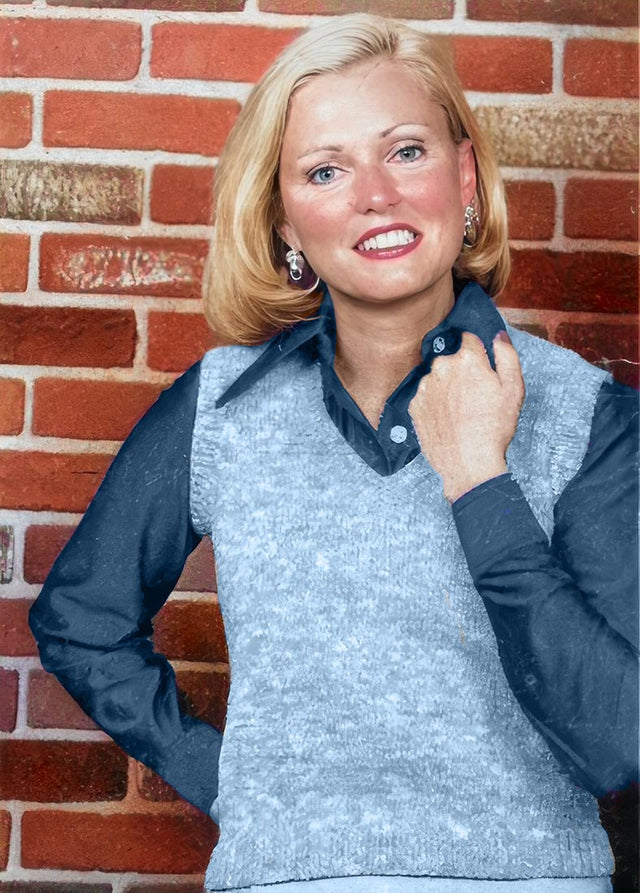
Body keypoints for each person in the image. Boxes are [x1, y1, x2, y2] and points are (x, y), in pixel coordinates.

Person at [29, 14, 637, 893]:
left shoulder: (587, 413)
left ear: (464, 177)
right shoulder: (223, 407)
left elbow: (620, 739)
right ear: (286, 222)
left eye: (406, 152)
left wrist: (481, 482)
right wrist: (228, 779)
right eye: (326, 170)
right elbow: (80, 620)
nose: (376, 195)